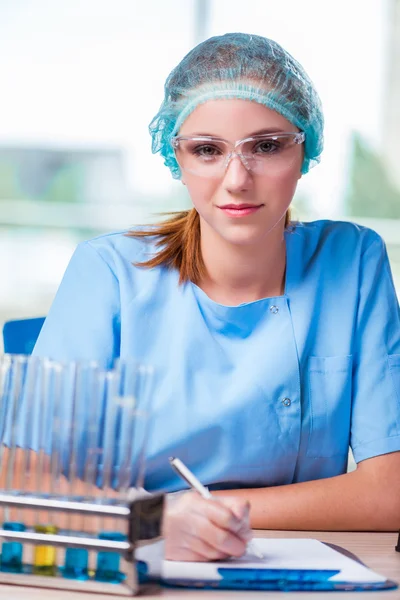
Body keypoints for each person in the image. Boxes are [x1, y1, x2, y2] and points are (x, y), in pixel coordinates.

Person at [33, 32, 400, 561]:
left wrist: (183, 509)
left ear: (307, 150)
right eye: (207, 150)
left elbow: (388, 494)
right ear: (175, 158)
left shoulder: (354, 261)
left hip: (300, 568)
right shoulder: (109, 272)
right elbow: (21, 475)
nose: (237, 179)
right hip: (142, 563)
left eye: (267, 146)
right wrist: (158, 523)